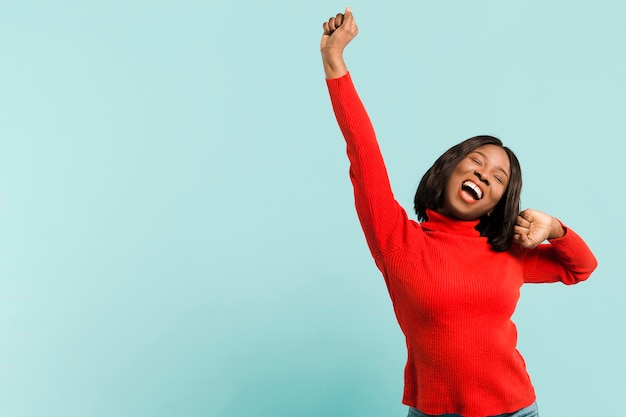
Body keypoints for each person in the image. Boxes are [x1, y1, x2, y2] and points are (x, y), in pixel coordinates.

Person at [320, 8, 598, 417]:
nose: (484, 176)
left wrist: (556, 229)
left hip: (517, 409)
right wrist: (334, 62)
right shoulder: (397, 241)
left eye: (499, 178)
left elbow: (581, 268)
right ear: (448, 168)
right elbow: (364, 153)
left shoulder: (508, 250)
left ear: (501, 200)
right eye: (476, 163)